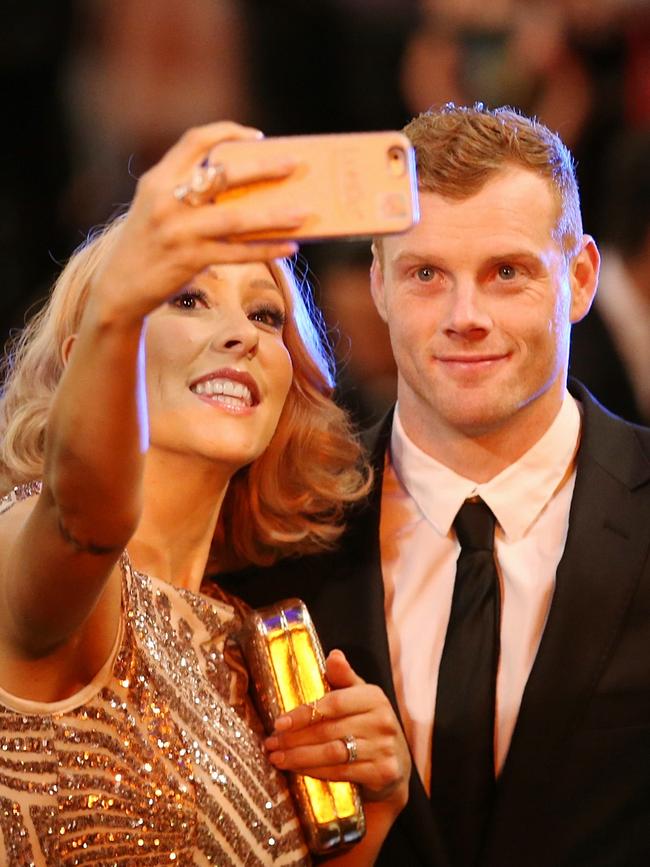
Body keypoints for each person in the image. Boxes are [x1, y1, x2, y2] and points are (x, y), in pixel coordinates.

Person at [215, 104, 650, 866]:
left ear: (579, 278)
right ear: (378, 283)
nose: (465, 316)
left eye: (506, 272)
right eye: (426, 274)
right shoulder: (274, 533)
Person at [0, 121, 411, 865]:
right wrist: (124, 293)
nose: (240, 335)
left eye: (265, 314)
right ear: (88, 354)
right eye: (187, 298)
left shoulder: (258, 641)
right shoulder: (31, 543)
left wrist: (370, 816)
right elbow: (84, 518)